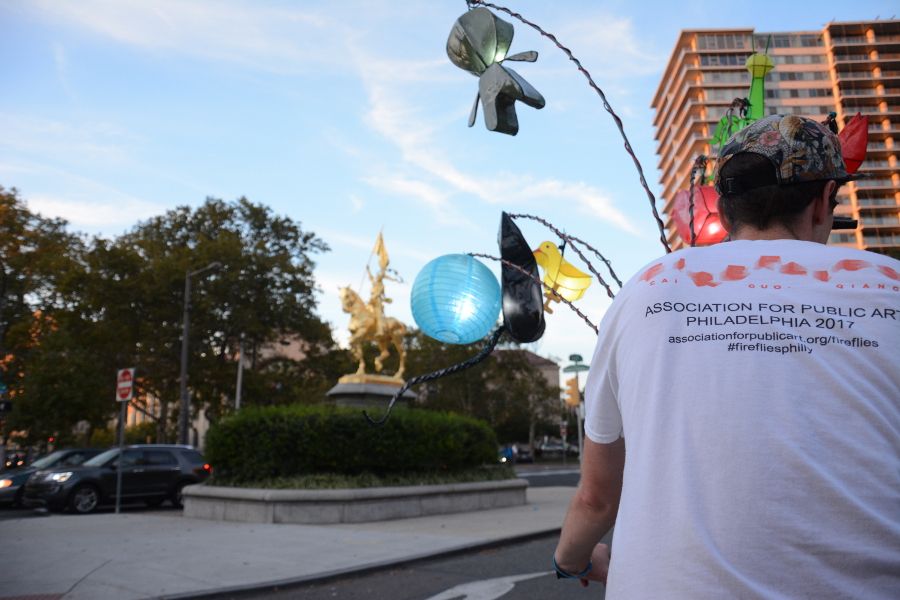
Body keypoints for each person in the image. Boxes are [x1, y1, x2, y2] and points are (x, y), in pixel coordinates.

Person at [553, 114, 900, 598]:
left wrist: (571, 561)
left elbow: (595, 499)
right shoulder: (890, 285)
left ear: (726, 205)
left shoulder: (648, 288)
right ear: (824, 202)